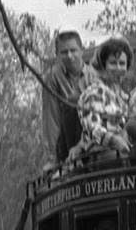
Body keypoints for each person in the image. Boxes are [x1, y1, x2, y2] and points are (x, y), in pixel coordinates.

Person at [41, 29, 97, 165]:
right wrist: (52, 159)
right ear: (57, 55)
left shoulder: (94, 76)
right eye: (64, 52)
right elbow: (51, 118)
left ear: (82, 50)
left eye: (73, 50)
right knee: (72, 102)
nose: (70, 56)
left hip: (91, 135)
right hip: (66, 141)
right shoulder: (52, 77)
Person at [74, 36, 134, 159]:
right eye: (113, 63)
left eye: (122, 63)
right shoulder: (95, 92)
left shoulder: (124, 97)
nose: (118, 68)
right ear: (103, 66)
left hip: (124, 153)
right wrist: (113, 140)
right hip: (102, 155)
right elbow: (92, 128)